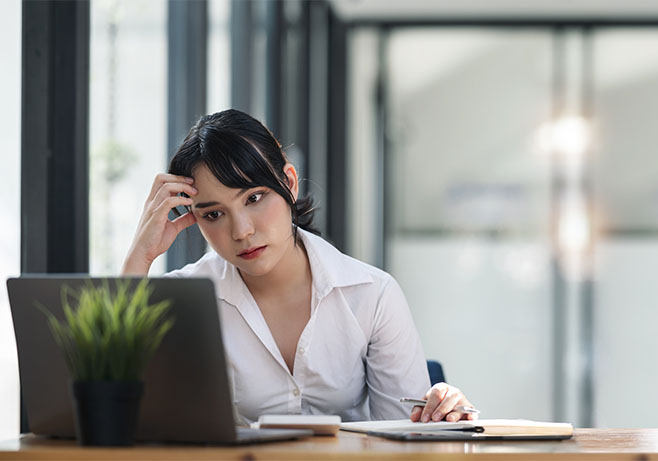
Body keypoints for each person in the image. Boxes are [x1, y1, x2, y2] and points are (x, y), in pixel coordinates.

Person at [121, 109, 474, 424]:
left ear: (288, 183)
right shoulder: (185, 298)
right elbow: (113, 401)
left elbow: (403, 436)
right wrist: (142, 255)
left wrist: (441, 412)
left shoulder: (372, 294)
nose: (241, 231)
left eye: (254, 198)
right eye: (214, 214)